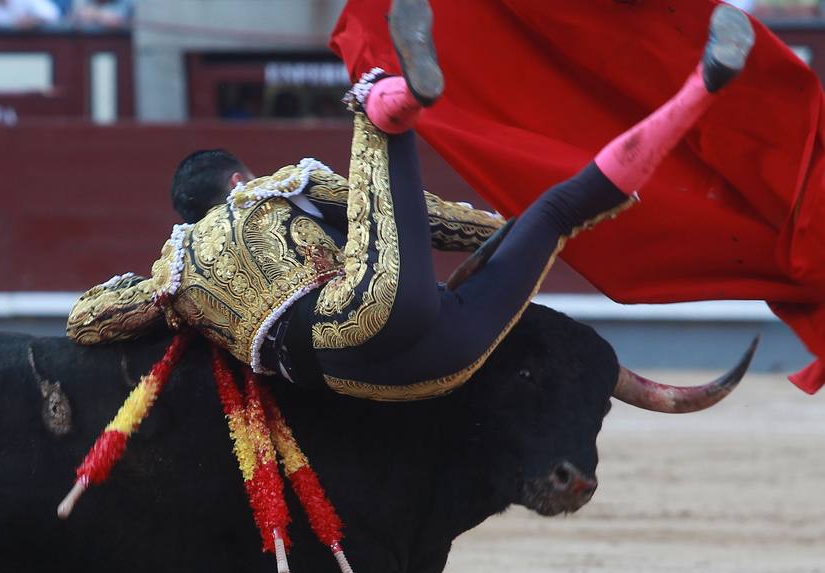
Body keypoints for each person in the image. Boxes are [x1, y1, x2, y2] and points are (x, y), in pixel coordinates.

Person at [67, 0, 755, 401]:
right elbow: (425, 220)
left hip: (403, 377)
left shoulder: (176, 273)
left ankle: (703, 87)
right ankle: (394, 96)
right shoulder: (267, 192)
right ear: (236, 182)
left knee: (543, 217)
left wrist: (157, 289)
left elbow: (85, 322)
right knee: (549, 209)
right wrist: (507, 232)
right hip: (366, 313)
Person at [331, 0, 825, 394]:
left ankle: (401, 93)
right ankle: (701, 85)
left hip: (371, 331)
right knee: (559, 208)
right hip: (381, 322)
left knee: (372, 57)